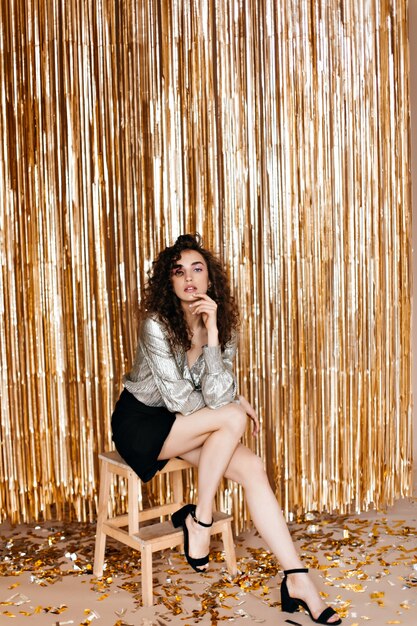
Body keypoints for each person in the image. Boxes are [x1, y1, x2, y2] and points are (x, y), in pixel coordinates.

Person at [111, 233, 341, 625]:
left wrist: (213, 333)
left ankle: (298, 578)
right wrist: (232, 406)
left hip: (190, 424)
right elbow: (183, 400)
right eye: (178, 271)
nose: (189, 278)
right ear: (168, 283)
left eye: (197, 269)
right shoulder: (155, 324)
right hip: (143, 423)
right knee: (233, 417)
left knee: (253, 468)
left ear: (210, 278)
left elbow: (216, 393)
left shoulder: (224, 325)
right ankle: (200, 522)